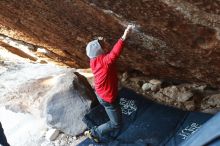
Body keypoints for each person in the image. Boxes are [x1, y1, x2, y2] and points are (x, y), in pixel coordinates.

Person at [84, 24, 134, 142]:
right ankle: (94, 133)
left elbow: (103, 52)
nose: (106, 44)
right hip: (107, 98)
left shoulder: (94, 60)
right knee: (116, 124)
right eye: (103, 45)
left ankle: (96, 130)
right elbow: (114, 54)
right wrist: (124, 36)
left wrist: (99, 41)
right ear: (100, 51)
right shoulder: (104, 62)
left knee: (114, 110)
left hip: (102, 94)